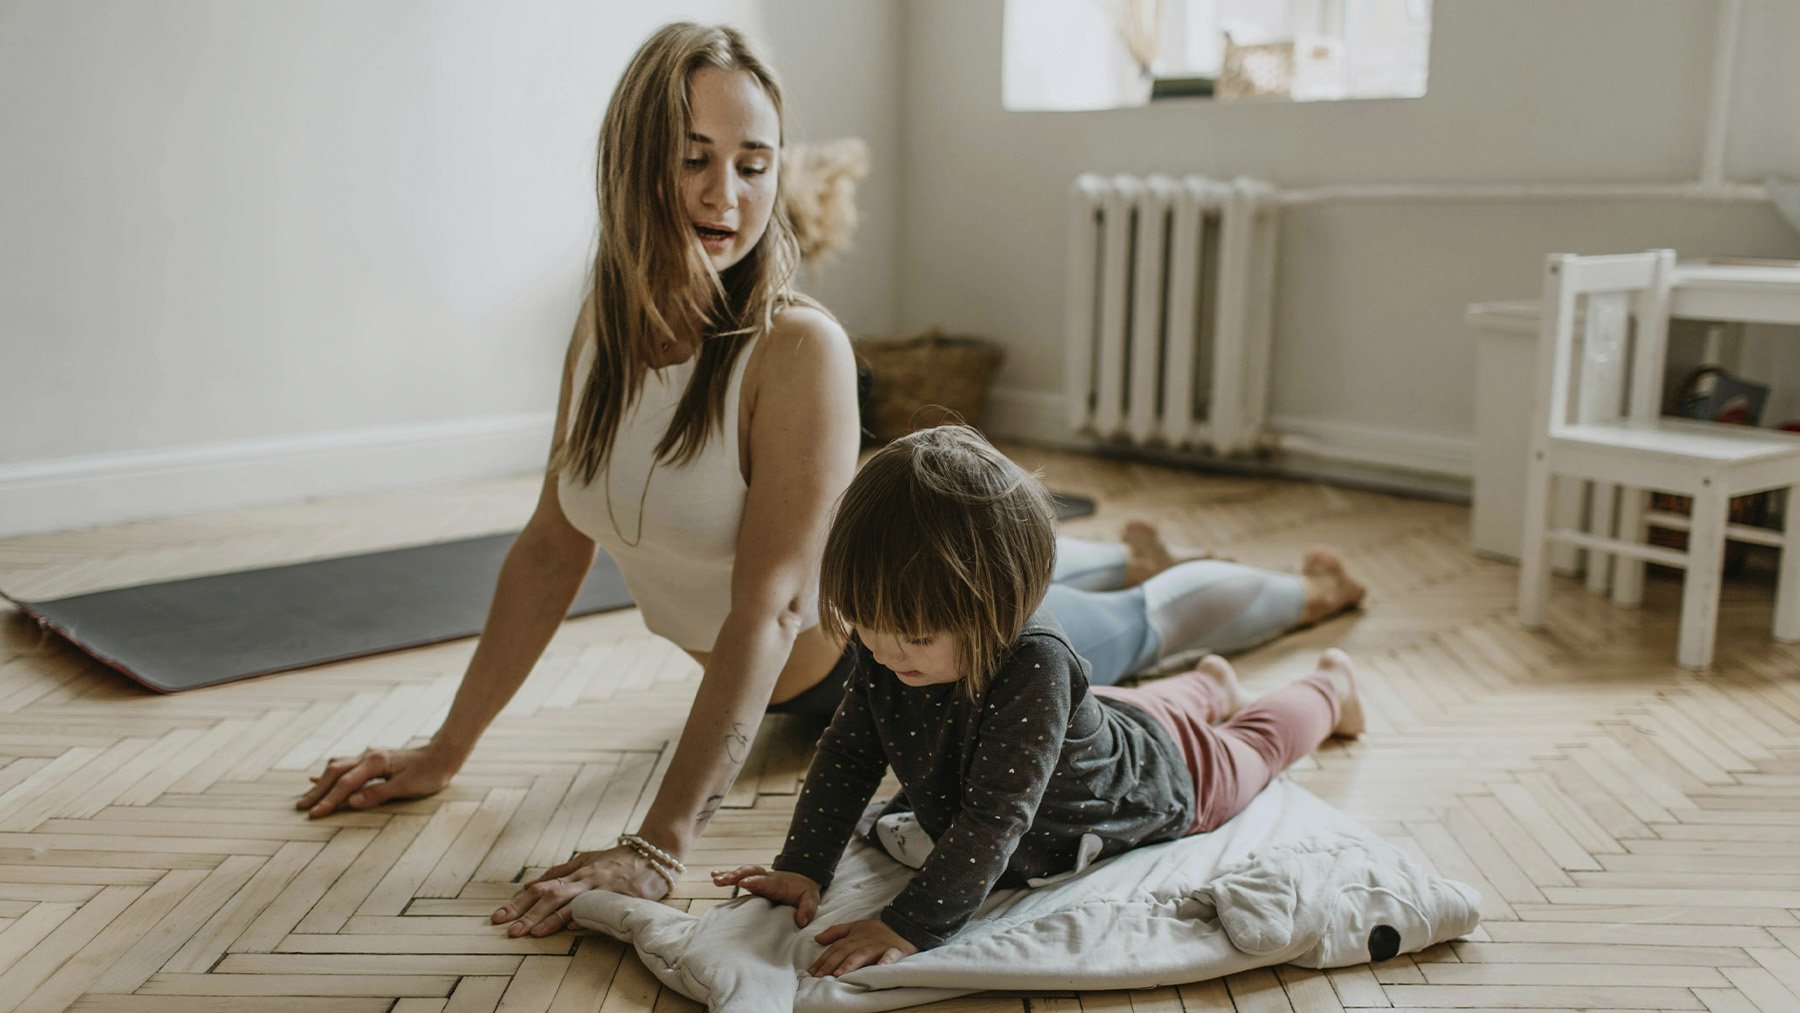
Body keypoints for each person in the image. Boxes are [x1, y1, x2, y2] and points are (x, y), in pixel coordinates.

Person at [295, 21, 1363, 940]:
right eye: (695, 157)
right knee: (1103, 611)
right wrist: (447, 747)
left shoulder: (794, 347)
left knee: (1132, 623)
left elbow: (771, 605)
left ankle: (1303, 598)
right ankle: (1139, 588)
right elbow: (547, 548)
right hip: (871, 637)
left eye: (755, 162)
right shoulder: (603, 330)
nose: (728, 193)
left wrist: (658, 845)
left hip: (918, 656)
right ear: (632, 162)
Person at [711, 426, 1363, 977]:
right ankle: (1212, 683)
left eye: (912, 637)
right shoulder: (891, 647)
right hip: (1098, 721)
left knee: (1253, 744)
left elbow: (996, 816)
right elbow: (850, 753)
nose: (883, 653)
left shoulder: (1035, 661)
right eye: (866, 629)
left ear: (998, 607)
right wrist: (803, 865)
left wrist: (909, 923)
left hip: (1161, 775)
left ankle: (1331, 687)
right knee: (1133, 709)